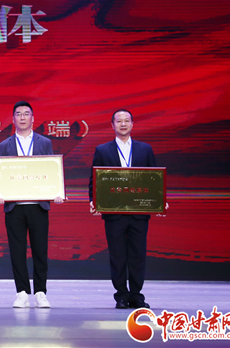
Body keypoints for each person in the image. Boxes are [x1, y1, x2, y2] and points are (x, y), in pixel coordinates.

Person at [0, 101, 63, 308]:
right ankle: (22, 292)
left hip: (38, 206)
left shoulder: (45, 142)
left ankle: (41, 292)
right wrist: (0, 192)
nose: (22, 117)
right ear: (13, 119)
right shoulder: (5, 145)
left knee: (40, 250)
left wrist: (56, 191)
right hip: (14, 207)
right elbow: (2, 173)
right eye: (18, 114)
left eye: (26, 114)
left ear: (33, 118)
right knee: (17, 251)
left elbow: (51, 170)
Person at [88, 109, 158, 309]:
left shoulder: (145, 149)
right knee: (117, 255)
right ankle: (121, 295)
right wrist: (93, 201)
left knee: (138, 255)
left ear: (132, 124)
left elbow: (154, 179)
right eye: (119, 121)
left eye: (127, 120)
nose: (123, 124)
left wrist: (159, 201)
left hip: (139, 213)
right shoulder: (103, 150)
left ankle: (136, 295)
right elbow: (95, 180)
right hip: (114, 212)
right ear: (112, 125)